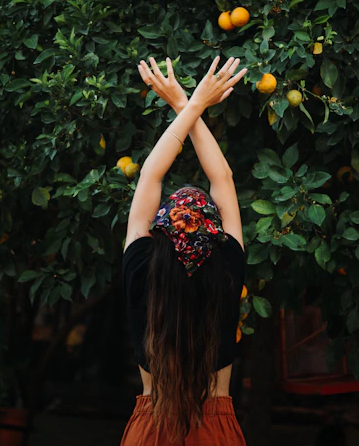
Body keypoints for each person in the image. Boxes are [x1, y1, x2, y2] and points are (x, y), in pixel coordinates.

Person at [121, 55, 248, 445]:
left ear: (159, 234)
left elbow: (150, 174)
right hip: (216, 432)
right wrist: (188, 105)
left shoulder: (142, 267)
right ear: (214, 236)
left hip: (151, 430)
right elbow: (221, 177)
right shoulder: (226, 267)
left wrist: (188, 106)